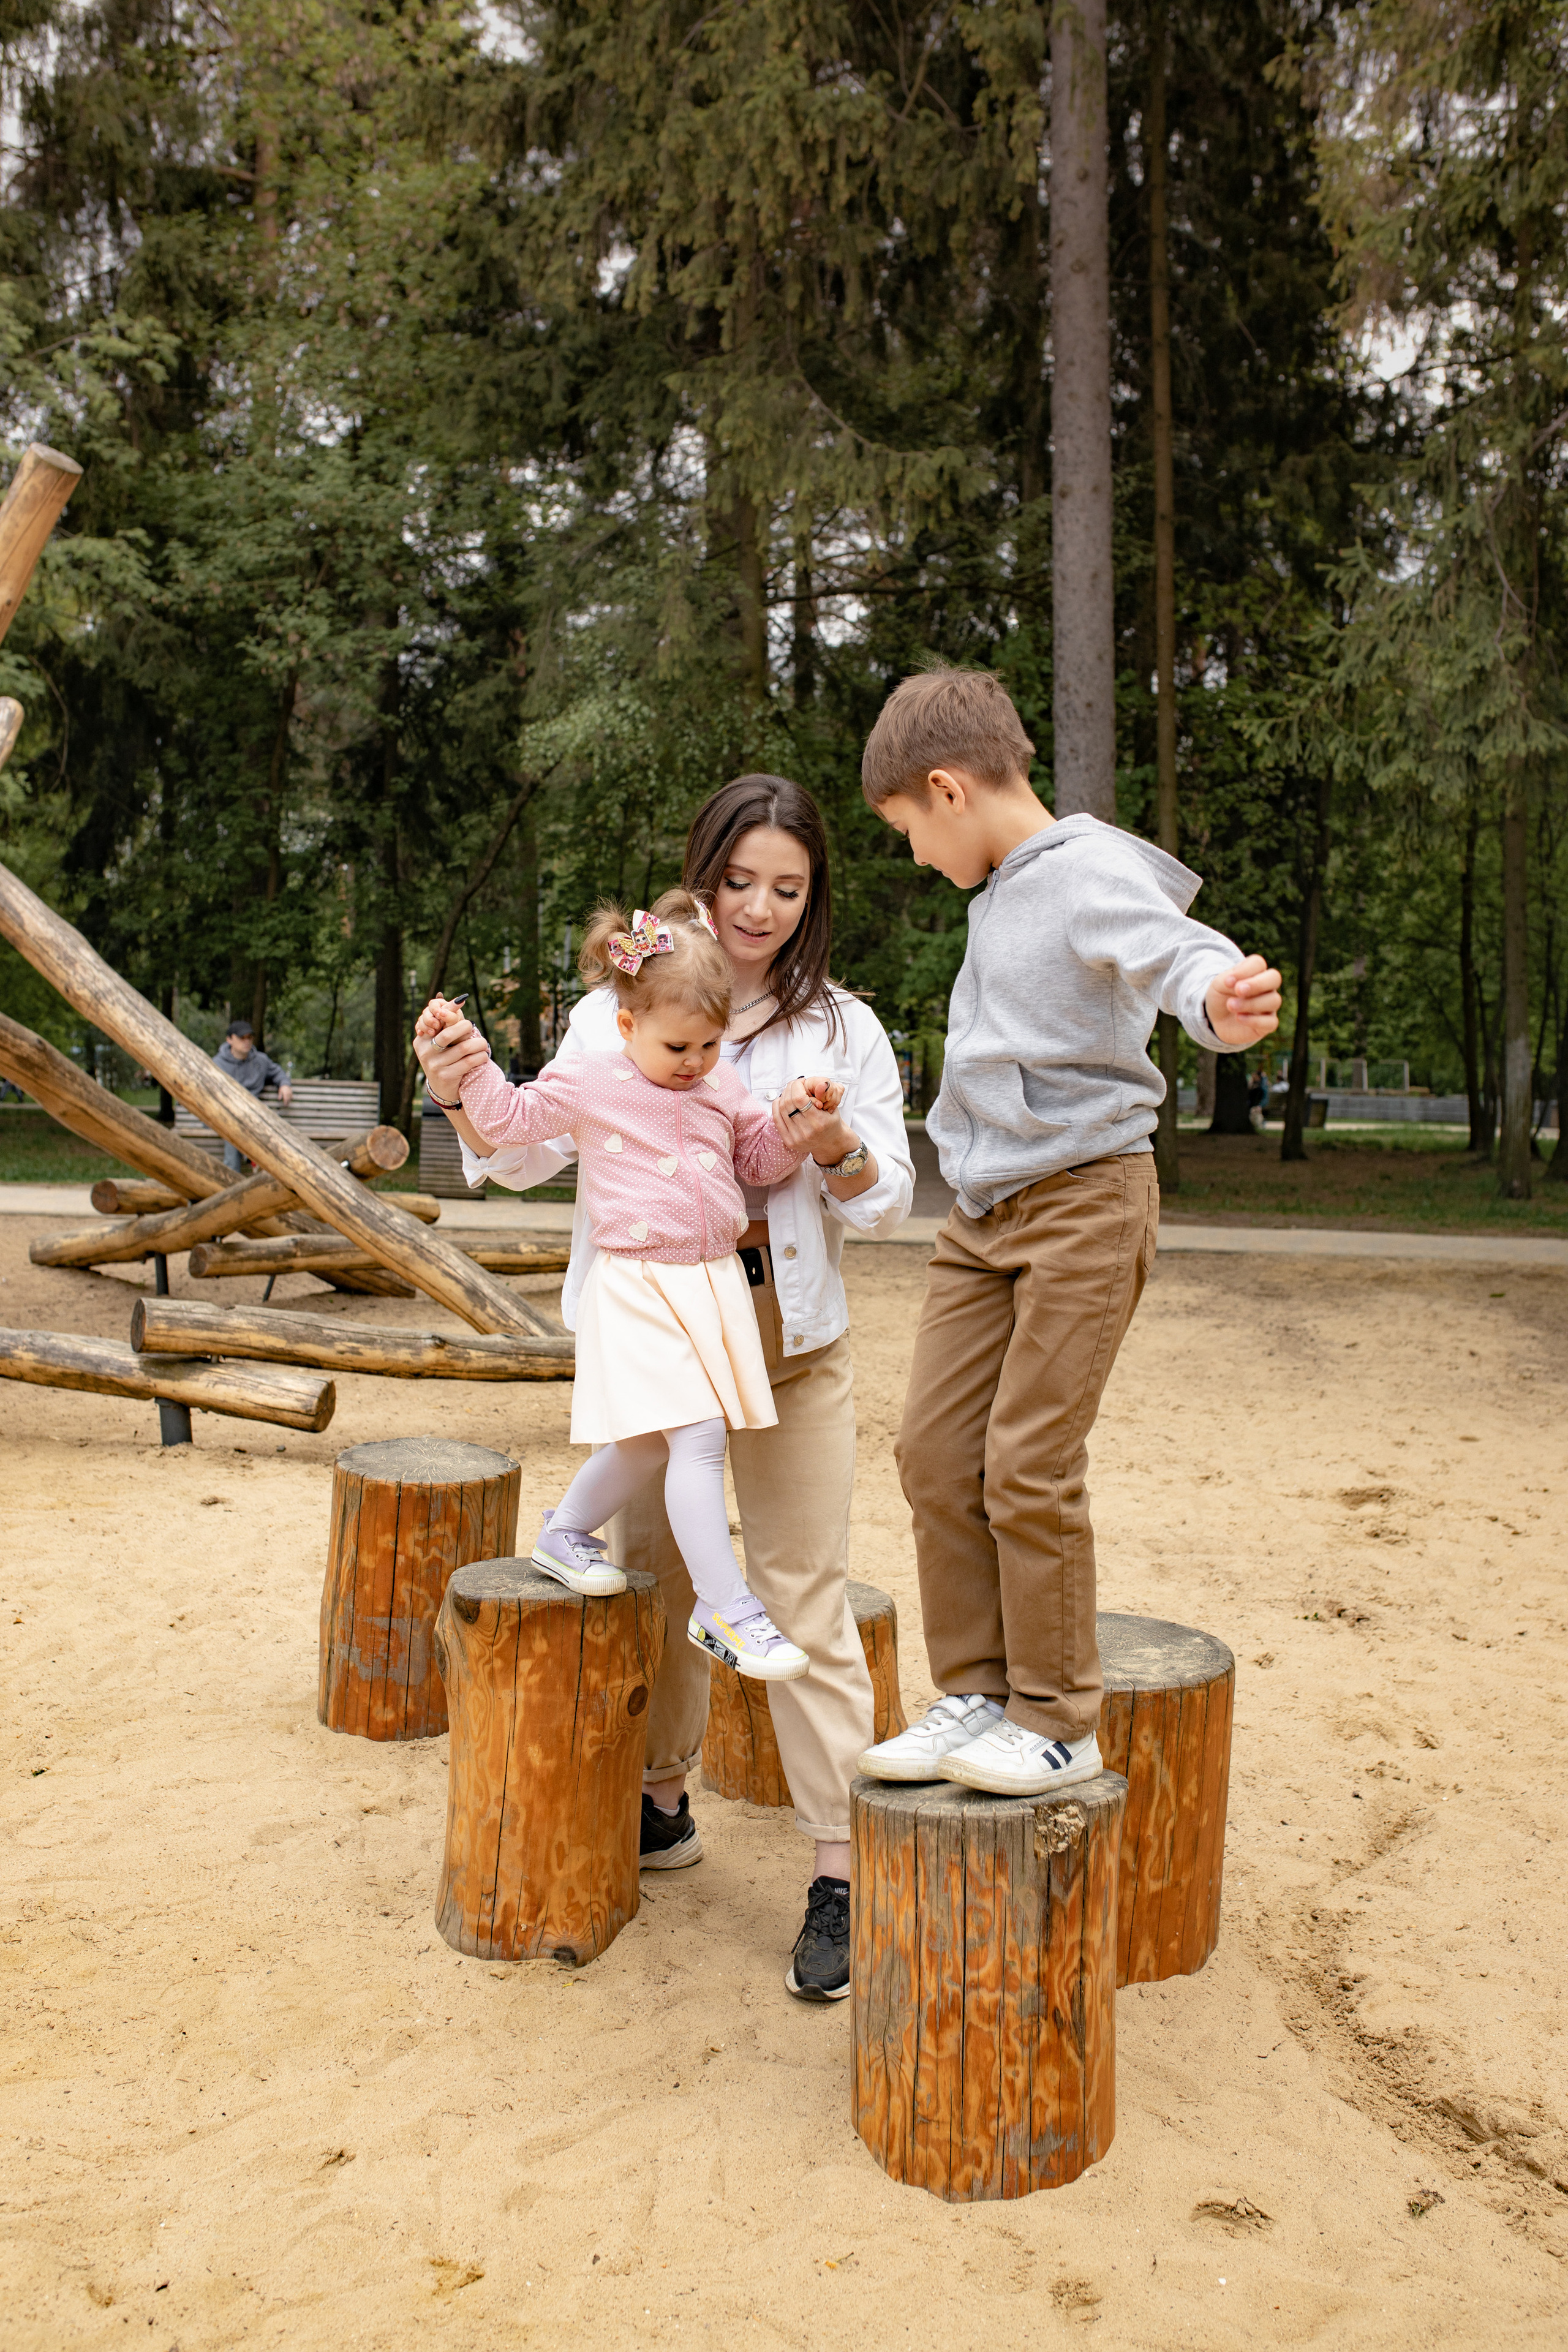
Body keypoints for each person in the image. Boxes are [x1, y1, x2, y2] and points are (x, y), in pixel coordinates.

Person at [413, 774, 914, 2003]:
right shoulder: (613, 1009)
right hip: (652, 1336)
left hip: (785, 1341)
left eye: (786, 888)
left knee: (798, 1593)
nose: (758, 909)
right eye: (738, 880)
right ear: (701, 875)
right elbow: (523, 1149)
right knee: (660, 1575)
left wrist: (828, 1141)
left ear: (814, 897)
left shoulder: (837, 1025)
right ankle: (657, 1800)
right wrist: (454, 1085)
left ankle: (839, 1871)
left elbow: (890, 1194)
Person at [856, 668, 1281, 1796]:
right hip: (986, 1211)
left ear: (946, 791)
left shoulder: (1089, 866)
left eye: (905, 830)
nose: (912, 856)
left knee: (1029, 1463)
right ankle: (976, 1695)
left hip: (1087, 1198)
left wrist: (1217, 1003)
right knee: (935, 1454)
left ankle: (1055, 1716)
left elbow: (1178, 952)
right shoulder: (995, 893)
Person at [417, 890, 835, 1682]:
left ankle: (564, 1533)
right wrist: (465, 1059)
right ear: (627, 1026)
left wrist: (789, 1126)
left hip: (707, 1284)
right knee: (700, 1437)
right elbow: (508, 1121)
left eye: (712, 1045)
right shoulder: (594, 1078)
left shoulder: (719, 1085)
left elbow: (755, 1161)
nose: (697, 1061)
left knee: (648, 1441)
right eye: (679, 1045)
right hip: (639, 1285)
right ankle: (727, 1608)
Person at [213, 1019, 292, 1172]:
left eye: (249, 1038)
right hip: (225, 1115)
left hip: (253, 1115)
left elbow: (277, 1072)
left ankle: (259, 1170)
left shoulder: (261, 1061)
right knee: (233, 1123)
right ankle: (237, 1171)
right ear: (229, 1040)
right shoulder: (217, 1064)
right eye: (242, 1038)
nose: (247, 1042)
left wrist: (285, 1084)